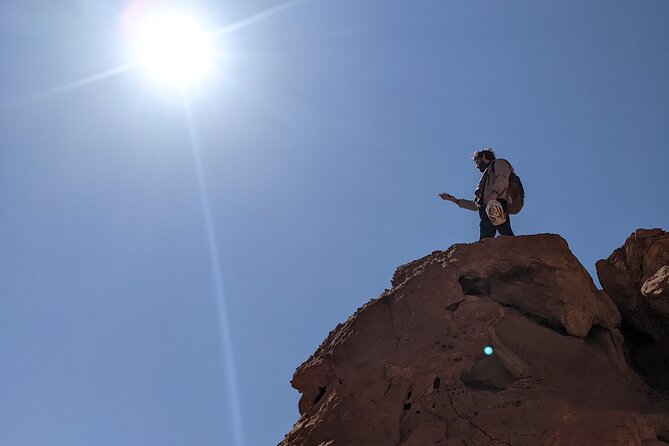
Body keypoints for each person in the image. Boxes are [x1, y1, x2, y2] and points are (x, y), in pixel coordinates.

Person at [439, 148, 515, 241]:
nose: (476, 166)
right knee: (494, 235)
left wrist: (495, 193)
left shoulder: (500, 163)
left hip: (497, 203)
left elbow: (502, 179)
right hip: (487, 208)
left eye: (477, 160)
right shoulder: (485, 180)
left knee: (494, 236)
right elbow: (476, 205)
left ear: (483, 156)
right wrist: (454, 200)